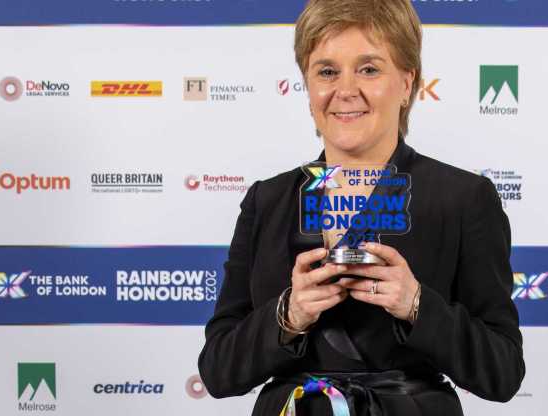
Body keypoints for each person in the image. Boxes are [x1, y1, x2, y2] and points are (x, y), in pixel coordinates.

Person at [197, 1, 525, 414]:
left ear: (407, 83)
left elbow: (503, 372)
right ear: (308, 86)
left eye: (369, 69)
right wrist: (290, 314)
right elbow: (217, 371)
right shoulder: (269, 200)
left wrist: (417, 305)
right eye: (327, 71)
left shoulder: (462, 197)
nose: (345, 90)